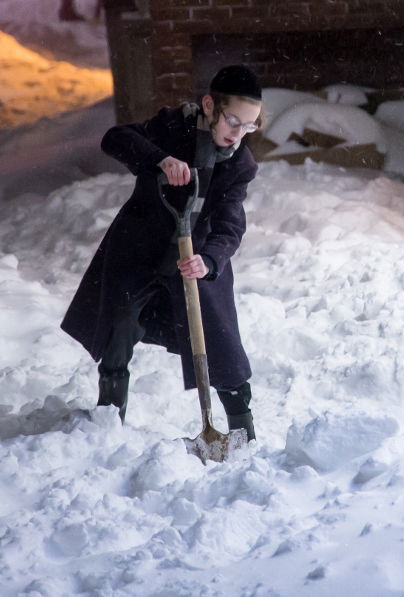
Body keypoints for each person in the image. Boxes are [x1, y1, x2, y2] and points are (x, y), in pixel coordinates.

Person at [61, 65, 263, 442]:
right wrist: (159, 159)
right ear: (209, 106)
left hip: (194, 258)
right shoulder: (173, 126)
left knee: (219, 342)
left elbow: (230, 224)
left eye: (249, 125)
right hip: (139, 248)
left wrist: (210, 260)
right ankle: (109, 418)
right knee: (119, 323)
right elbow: (116, 138)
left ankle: (242, 429)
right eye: (233, 121)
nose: (238, 133)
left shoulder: (240, 163)